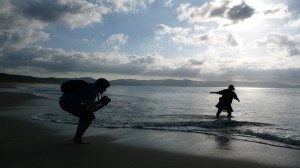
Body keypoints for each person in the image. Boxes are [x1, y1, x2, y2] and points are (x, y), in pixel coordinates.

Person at [59, 78, 111, 144]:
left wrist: (100, 102)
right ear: (101, 86)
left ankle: (78, 137)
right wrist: (104, 104)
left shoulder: (89, 87)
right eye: (105, 88)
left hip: (64, 102)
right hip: (69, 103)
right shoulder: (92, 91)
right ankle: (77, 138)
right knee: (89, 117)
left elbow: (87, 105)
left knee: (86, 115)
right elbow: (92, 109)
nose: (105, 90)